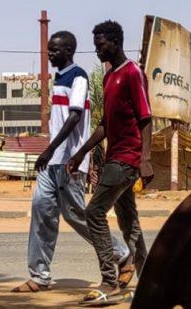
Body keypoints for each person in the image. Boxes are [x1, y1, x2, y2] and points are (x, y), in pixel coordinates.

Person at [13, 30, 130, 293]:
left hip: (70, 161)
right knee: (42, 211)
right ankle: (39, 275)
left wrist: (50, 149)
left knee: (75, 215)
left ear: (68, 51)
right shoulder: (59, 78)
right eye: (49, 50)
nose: (50, 55)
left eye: (54, 50)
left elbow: (75, 117)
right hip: (52, 161)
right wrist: (50, 152)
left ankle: (121, 254)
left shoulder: (78, 76)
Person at [66, 20, 153, 304]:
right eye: (95, 45)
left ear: (115, 43)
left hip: (127, 158)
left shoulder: (132, 73)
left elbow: (146, 118)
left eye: (100, 45)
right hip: (114, 156)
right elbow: (105, 124)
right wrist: (81, 152)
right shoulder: (108, 77)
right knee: (129, 221)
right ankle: (148, 280)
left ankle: (109, 280)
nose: (97, 50)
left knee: (94, 212)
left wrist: (146, 159)